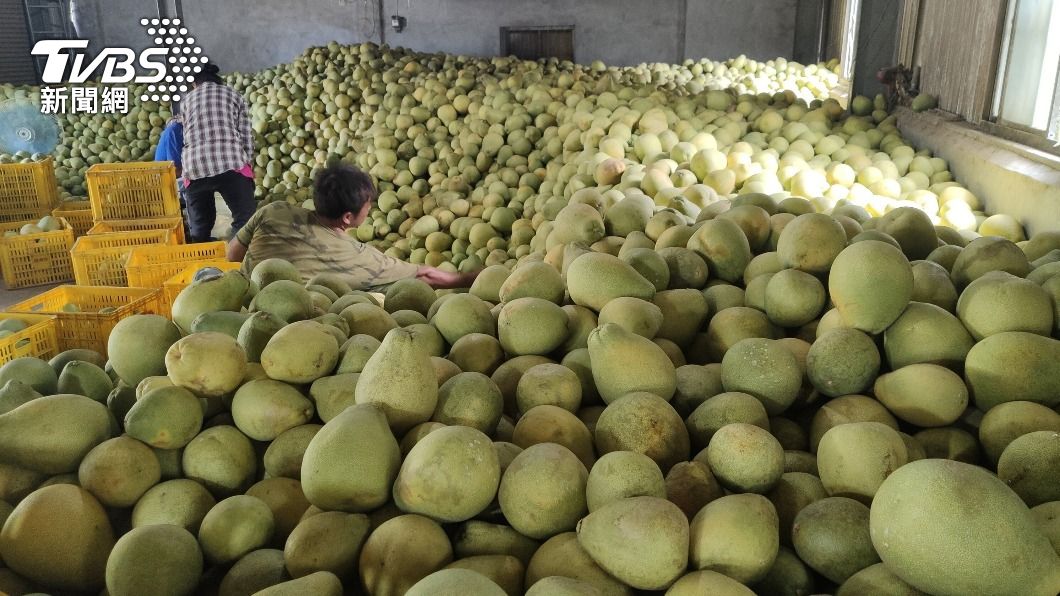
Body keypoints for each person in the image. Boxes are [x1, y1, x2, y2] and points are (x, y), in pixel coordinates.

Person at [226, 164, 479, 290]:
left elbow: (232, 255)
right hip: (295, 331)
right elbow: (425, 275)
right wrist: (468, 279)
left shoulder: (275, 210)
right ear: (348, 217)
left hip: (243, 300)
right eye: (368, 206)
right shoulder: (357, 257)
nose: (370, 209)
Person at [180, 62, 256, 243]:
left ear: (194, 84)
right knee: (245, 220)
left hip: (194, 166)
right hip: (231, 162)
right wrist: (247, 168)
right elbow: (246, 136)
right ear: (218, 81)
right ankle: (236, 257)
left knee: (200, 226)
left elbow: (187, 135)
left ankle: (202, 263)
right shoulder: (234, 95)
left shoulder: (186, 101)